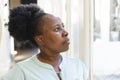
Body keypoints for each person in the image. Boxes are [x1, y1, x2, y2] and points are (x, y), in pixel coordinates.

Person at [2, 4, 88, 80]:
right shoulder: (21, 71)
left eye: (63, 26)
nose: (65, 33)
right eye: (57, 29)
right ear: (40, 39)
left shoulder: (78, 66)